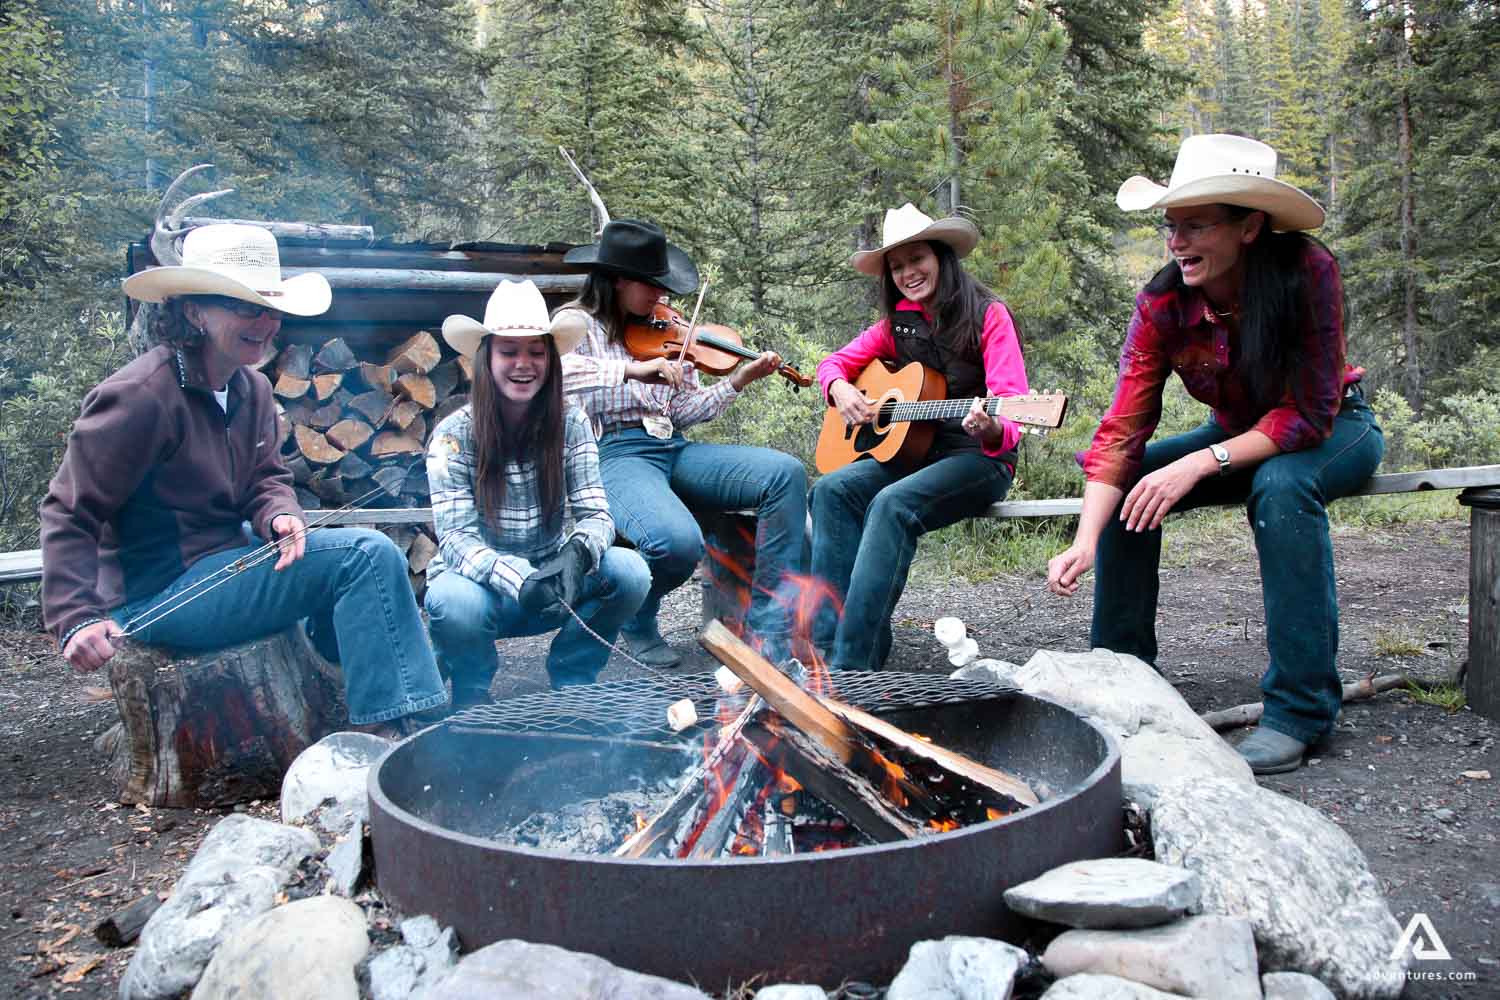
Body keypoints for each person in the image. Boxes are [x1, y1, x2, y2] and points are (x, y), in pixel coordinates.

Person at [1046, 134, 1384, 775]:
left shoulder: (1307, 272)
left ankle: (1300, 713)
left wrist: (1202, 461)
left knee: (1281, 486)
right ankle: (1123, 680)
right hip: (1237, 435)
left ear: (1250, 226)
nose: (1175, 243)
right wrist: (1086, 541)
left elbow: (1310, 415)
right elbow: (1122, 430)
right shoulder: (1163, 303)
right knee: (1137, 481)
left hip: (1338, 426)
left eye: (1195, 226)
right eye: (1172, 227)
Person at [41, 223, 448, 738]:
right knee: (365, 556)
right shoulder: (142, 396)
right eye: (245, 307)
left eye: (271, 308)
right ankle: (391, 731)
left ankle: (348, 692)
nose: (266, 323)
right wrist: (75, 616)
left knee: (336, 554)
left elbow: (266, 477)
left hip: (228, 559)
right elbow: (68, 510)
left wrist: (279, 512)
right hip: (162, 593)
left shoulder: (250, 387)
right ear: (193, 311)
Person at [554, 219, 807, 667]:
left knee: (784, 473)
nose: (661, 297)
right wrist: (631, 370)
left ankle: (768, 629)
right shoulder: (575, 323)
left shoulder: (668, 331)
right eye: (651, 285)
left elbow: (684, 410)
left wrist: (738, 380)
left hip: (673, 446)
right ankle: (637, 615)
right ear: (615, 281)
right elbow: (557, 378)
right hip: (615, 451)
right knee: (676, 543)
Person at [812, 203, 1030, 671]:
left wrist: (991, 426)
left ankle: (850, 669)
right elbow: (831, 365)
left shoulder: (987, 314)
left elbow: (1011, 407)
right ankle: (827, 647)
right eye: (897, 265)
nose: (908, 272)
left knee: (892, 504)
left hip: (981, 458)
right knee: (830, 490)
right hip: (920, 451)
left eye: (917, 259)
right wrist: (840, 387)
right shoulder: (899, 324)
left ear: (941, 257)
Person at [424, 279, 651, 699]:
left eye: (535, 351)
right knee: (453, 602)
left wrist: (577, 552)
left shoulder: (572, 421)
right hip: (483, 589)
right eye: (509, 351)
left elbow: (597, 514)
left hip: (555, 580)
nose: (523, 363)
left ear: (551, 358)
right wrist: (519, 579)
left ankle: (574, 675)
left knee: (631, 572)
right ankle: (472, 689)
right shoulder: (452, 436)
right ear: (486, 359)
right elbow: (455, 540)